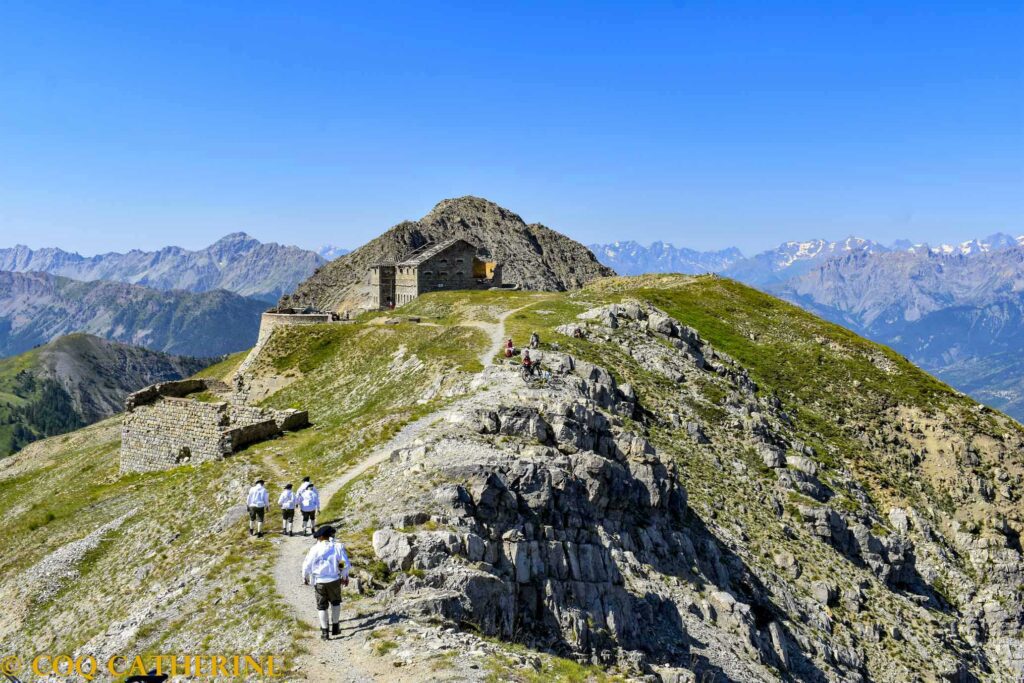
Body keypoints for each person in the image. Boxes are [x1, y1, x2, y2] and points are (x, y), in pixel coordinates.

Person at [301, 525, 351, 640]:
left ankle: (324, 632)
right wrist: (344, 575)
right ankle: (335, 626)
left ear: (321, 537)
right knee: (336, 602)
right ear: (330, 535)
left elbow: (307, 564)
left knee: (321, 606)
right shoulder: (337, 547)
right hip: (334, 579)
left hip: (319, 581)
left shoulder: (314, 549)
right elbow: (343, 563)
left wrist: (305, 577)